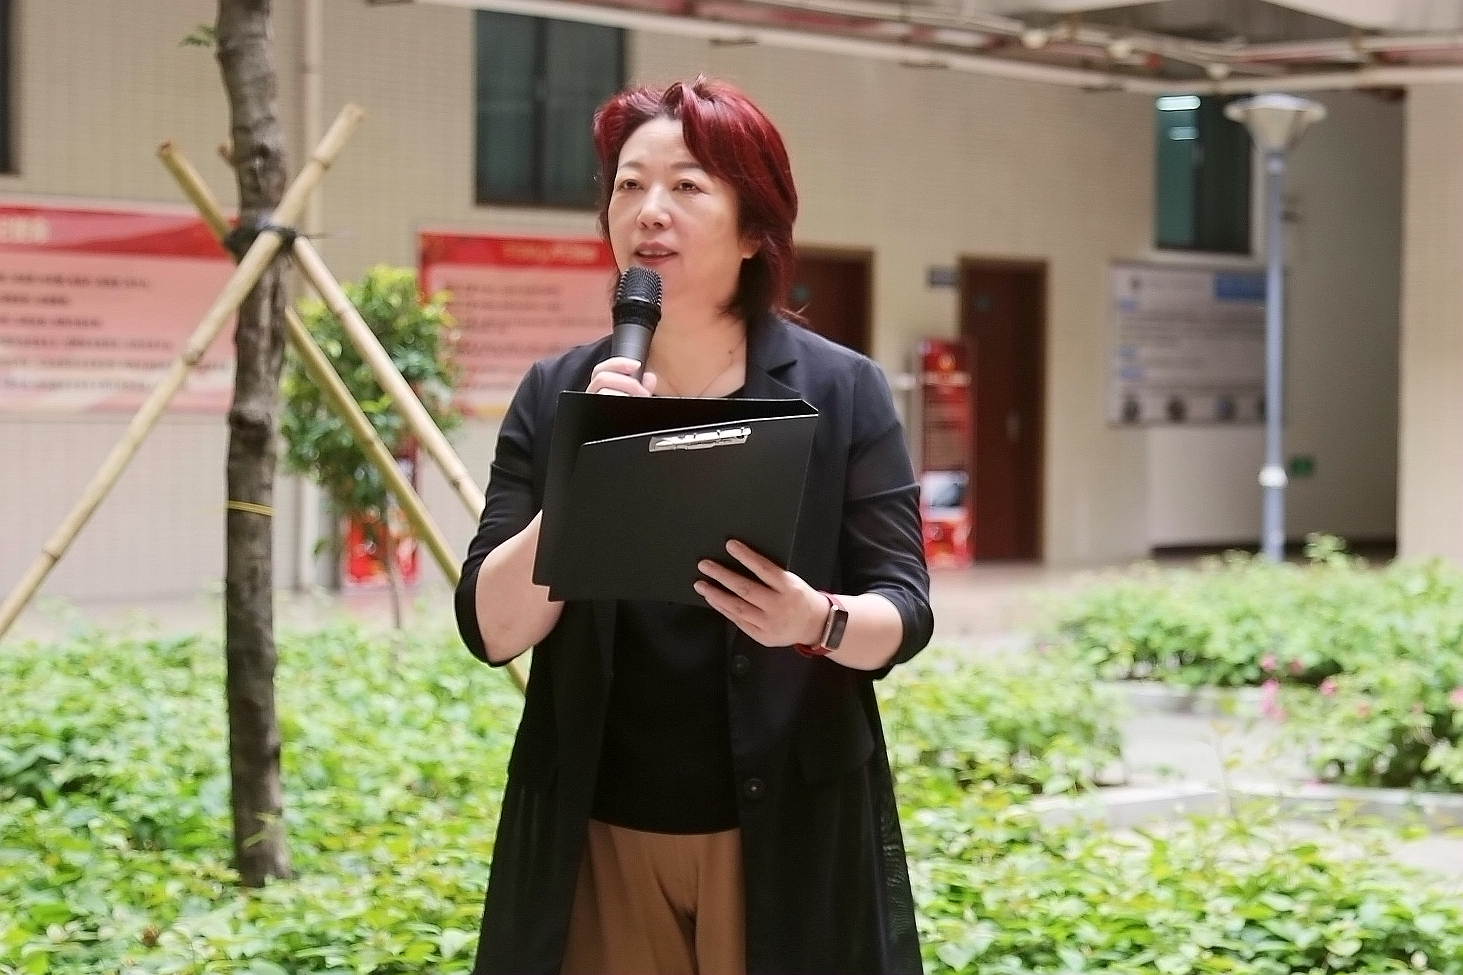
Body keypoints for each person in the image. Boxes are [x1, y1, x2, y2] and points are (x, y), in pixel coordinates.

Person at [455, 75, 933, 975]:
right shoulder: (558, 393)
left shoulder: (841, 390)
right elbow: (491, 629)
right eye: (628, 185)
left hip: (787, 833)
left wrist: (813, 619)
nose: (649, 211)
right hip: (598, 833)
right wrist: (587, 471)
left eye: (686, 186)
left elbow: (904, 612)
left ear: (755, 231)